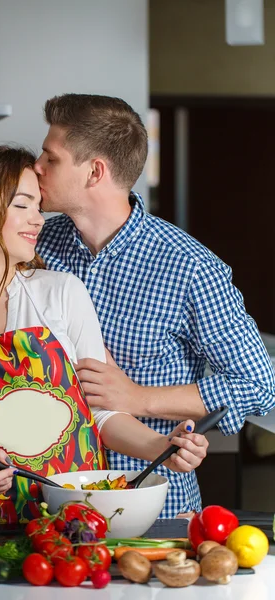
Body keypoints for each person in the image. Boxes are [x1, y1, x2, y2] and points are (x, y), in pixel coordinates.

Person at [0, 145, 208, 525]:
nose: (38, 220)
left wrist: (163, 447)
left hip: (78, 521)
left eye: (39, 206)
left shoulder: (62, 293)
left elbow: (101, 413)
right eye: (23, 205)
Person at [32, 93, 275, 518]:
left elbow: (258, 385)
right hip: (48, 503)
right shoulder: (35, 245)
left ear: (95, 171)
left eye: (50, 159)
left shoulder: (189, 267)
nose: (36, 167)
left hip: (152, 508)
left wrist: (139, 398)